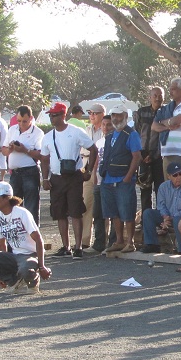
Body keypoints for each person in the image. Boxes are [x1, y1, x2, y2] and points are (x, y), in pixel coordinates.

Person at [40, 101, 96, 259]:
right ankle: (66, 247)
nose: (52, 118)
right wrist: (45, 178)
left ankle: (78, 246)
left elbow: (93, 149)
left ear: (64, 115)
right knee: (59, 213)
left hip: (73, 177)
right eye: (50, 115)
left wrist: (88, 170)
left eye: (55, 115)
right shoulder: (47, 137)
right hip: (56, 177)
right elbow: (44, 159)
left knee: (76, 212)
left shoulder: (76, 131)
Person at [0, 182, 51, 294]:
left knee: (25, 270)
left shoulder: (22, 213)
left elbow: (38, 239)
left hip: (30, 255)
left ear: (6, 198)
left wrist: (42, 266)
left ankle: (33, 281)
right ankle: (13, 282)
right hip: (14, 255)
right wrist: (1, 277)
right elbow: (1, 245)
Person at [99, 105, 142, 255]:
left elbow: (137, 157)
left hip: (123, 179)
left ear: (125, 115)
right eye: (114, 116)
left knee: (127, 211)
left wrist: (128, 177)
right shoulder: (110, 135)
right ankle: (119, 241)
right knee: (114, 213)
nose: (116, 118)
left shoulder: (131, 134)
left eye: (119, 115)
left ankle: (130, 242)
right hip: (108, 179)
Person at [3, 105, 45, 225]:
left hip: (30, 171)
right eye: (19, 121)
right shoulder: (12, 130)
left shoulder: (37, 133)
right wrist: (10, 149)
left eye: (25, 121)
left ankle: (32, 235)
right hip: (15, 172)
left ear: (31, 118)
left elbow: (41, 155)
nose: (21, 124)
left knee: (31, 205)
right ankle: (17, 233)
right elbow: (4, 150)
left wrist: (25, 150)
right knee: (14, 205)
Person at [140, 162, 181, 254]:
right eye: (175, 175)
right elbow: (161, 205)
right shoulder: (163, 187)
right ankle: (152, 245)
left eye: (180, 174)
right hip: (166, 217)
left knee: (177, 219)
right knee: (148, 213)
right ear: (168, 176)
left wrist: (170, 217)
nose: (179, 177)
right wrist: (165, 217)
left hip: (180, 217)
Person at [151, 77, 181, 175]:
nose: (170, 92)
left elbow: (175, 121)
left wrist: (163, 121)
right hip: (167, 154)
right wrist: (167, 126)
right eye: (170, 89)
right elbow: (154, 126)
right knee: (169, 187)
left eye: (173, 89)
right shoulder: (167, 108)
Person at [134, 87, 165, 212]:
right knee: (144, 189)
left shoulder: (166, 112)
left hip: (159, 156)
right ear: (150, 97)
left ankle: (160, 218)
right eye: (155, 95)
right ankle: (145, 218)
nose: (157, 98)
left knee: (160, 189)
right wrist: (141, 154)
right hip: (143, 155)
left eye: (160, 95)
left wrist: (154, 155)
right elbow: (136, 133)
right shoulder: (141, 112)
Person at [81, 103, 106, 250]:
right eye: (90, 113)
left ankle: (103, 239)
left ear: (103, 113)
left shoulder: (107, 129)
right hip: (88, 169)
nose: (91, 116)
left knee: (103, 207)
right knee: (86, 204)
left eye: (94, 113)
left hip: (102, 170)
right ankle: (85, 241)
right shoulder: (87, 130)